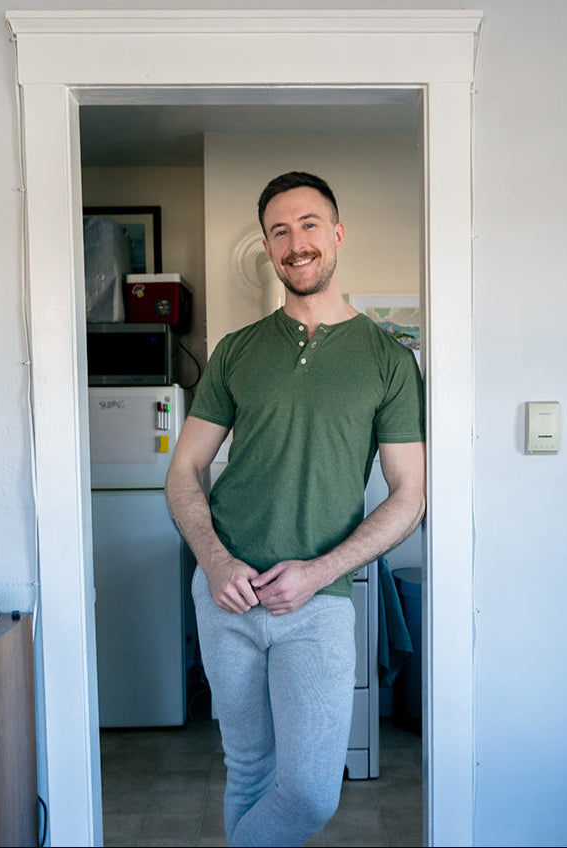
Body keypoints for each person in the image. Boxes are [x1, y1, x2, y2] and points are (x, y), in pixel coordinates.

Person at [165, 171, 426, 847]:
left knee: (309, 794)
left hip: (318, 603)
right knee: (248, 771)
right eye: (279, 231)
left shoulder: (389, 361)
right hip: (225, 595)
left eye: (309, 224)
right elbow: (184, 471)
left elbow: (410, 495)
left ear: (336, 234)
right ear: (267, 248)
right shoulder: (236, 351)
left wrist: (318, 571)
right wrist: (214, 562)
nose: (295, 242)